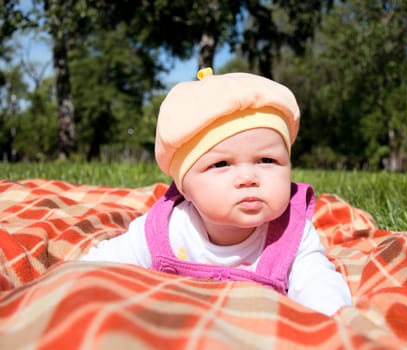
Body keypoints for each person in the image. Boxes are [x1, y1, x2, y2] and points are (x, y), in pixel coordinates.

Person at [81, 68, 352, 316]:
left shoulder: (291, 234)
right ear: (185, 187)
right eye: (221, 164)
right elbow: (98, 267)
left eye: (267, 160)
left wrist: (330, 324)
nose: (248, 177)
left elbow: (319, 285)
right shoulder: (165, 231)